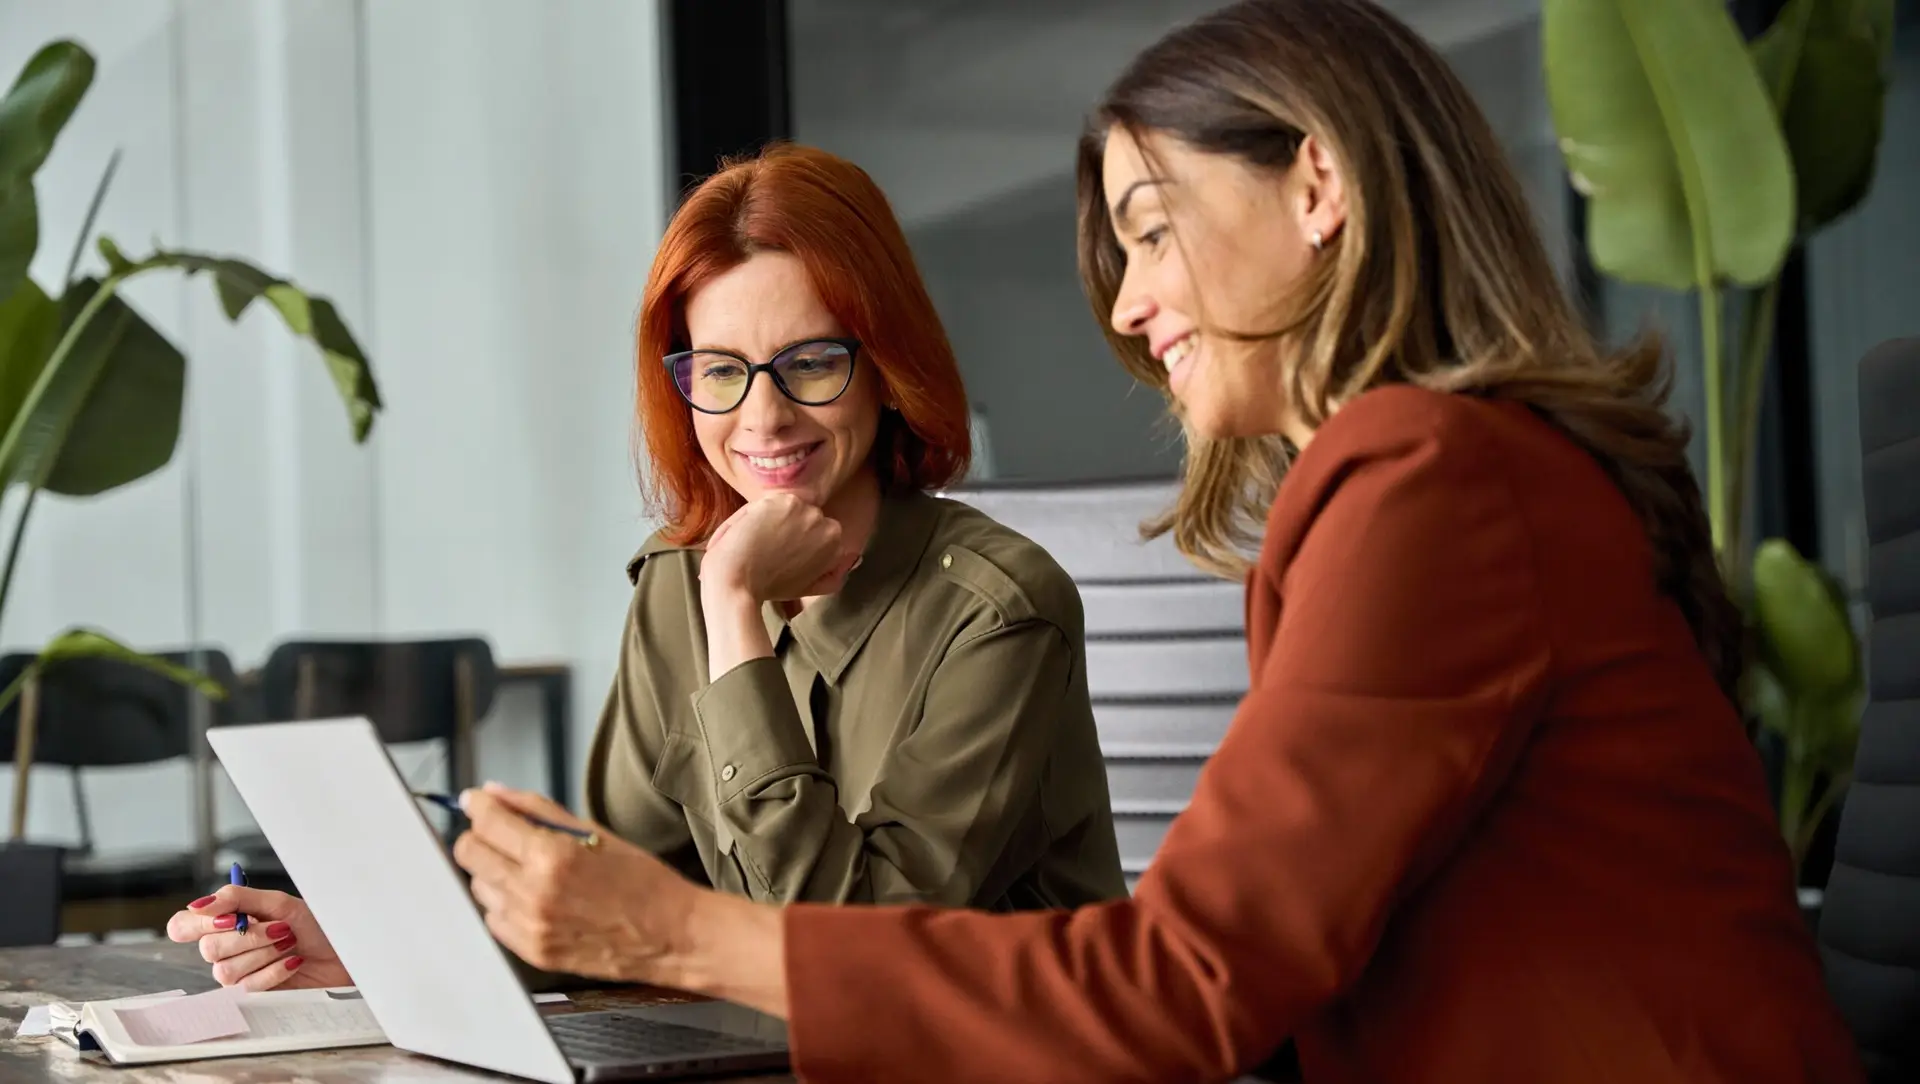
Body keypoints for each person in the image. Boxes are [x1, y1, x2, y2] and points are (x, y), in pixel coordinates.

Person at [438, 1, 1868, 1081]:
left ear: (1318, 186)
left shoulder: (1434, 477)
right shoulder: (1443, 473)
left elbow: (1188, 980)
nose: (1126, 308)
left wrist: (673, 936)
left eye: (1151, 229)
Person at [166, 143, 1127, 992]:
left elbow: (844, 952)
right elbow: (622, 896)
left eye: (811, 362)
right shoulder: (678, 582)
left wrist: (736, 608)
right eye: (720, 370)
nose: (763, 418)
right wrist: (373, 946)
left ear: (885, 365)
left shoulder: (998, 611)